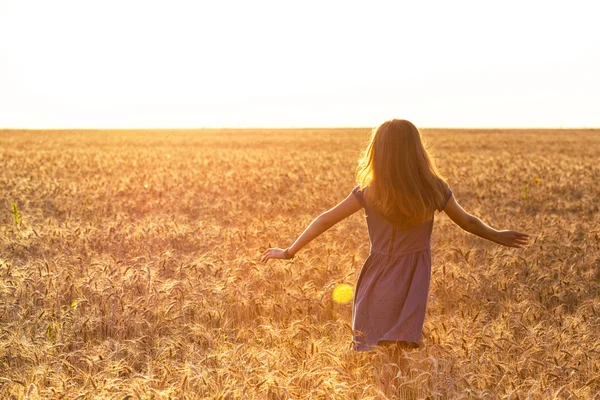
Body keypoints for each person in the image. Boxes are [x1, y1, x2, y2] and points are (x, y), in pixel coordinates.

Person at [260, 119, 529, 352]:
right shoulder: (433, 188)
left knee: (369, 342)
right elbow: (467, 221)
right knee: (400, 345)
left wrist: (289, 251)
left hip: (378, 271)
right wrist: (496, 235)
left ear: (378, 152)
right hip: (414, 274)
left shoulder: (369, 190)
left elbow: (325, 219)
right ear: (417, 151)